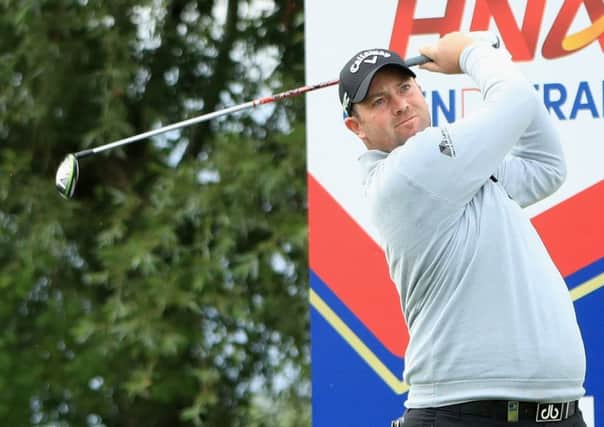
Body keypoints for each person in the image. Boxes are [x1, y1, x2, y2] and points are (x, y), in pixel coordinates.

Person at [337, 32, 587, 426]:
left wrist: (493, 61)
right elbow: (515, 101)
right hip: (464, 414)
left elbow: (546, 166)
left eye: (405, 87)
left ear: (420, 88)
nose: (401, 105)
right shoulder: (407, 171)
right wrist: (472, 54)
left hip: (553, 413)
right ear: (357, 127)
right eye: (379, 101)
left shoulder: (458, 171)